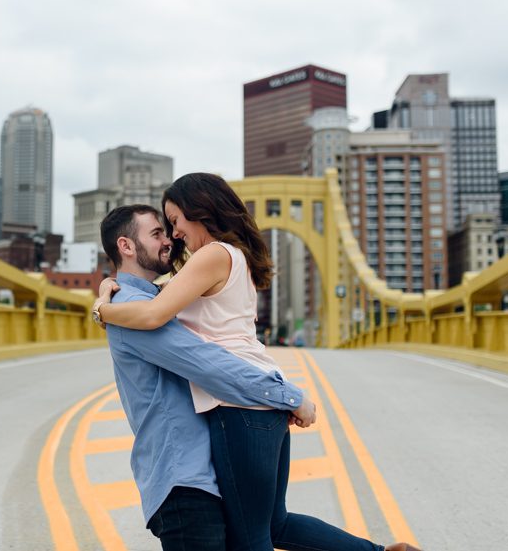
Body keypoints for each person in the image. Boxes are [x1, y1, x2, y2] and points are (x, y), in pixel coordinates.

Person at [95, 174, 420, 551]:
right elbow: (156, 300)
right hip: (258, 404)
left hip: (242, 405)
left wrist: (102, 307)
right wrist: (108, 289)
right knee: (275, 525)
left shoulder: (211, 256)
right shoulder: (223, 259)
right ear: (126, 245)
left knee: (253, 541)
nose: (173, 233)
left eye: (175, 220)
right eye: (162, 229)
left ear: (199, 210)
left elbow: (157, 319)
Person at [96, 204, 315, 551]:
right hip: (184, 484)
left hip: (207, 475)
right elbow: (208, 363)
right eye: (156, 234)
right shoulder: (131, 310)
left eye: (169, 230)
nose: (168, 240)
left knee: (274, 527)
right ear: (125, 246)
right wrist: (289, 396)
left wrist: (102, 297)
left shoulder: (156, 299)